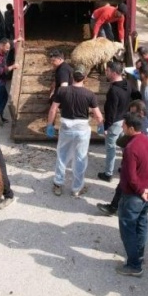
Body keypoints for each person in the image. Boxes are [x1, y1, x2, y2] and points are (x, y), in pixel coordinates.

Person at [115, 113, 148, 277]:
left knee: (128, 229)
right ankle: (139, 256)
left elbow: (131, 177)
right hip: (147, 193)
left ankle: (134, 265)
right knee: (142, 224)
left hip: (133, 196)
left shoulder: (130, 148)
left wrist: (142, 191)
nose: (122, 128)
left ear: (131, 128)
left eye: (124, 126)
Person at [46, 65, 103, 197]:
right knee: (80, 158)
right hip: (82, 130)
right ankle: (76, 188)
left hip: (66, 128)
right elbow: (97, 114)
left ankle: (58, 184)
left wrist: (50, 124)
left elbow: (53, 109)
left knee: (62, 156)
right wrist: (101, 125)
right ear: (85, 77)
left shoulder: (61, 91)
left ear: (72, 76)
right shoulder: (89, 94)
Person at [96, 100, 148, 216]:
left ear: (141, 113)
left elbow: (121, 142)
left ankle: (115, 208)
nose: (130, 115)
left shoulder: (137, 127)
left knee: (125, 185)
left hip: (137, 162)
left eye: (133, 113)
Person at [98, 61, 132, 182]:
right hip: (125, 121)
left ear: (113, 73)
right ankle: (125, 167)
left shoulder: (114, 91)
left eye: (107, 71)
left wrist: (106, 127)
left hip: (115, 123)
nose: (106, 73)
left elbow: (111, 111)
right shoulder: (127, 84)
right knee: (124, 146)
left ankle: (108, 173)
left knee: (111, 149)